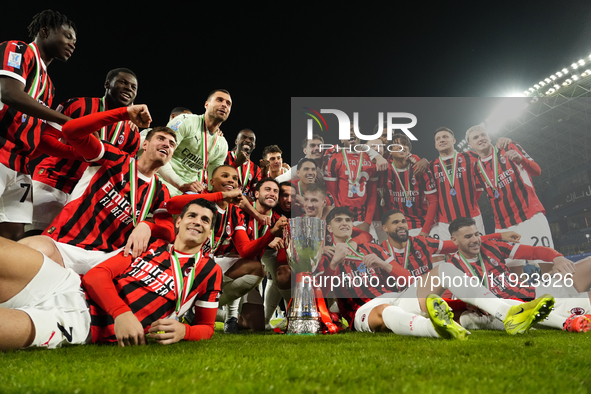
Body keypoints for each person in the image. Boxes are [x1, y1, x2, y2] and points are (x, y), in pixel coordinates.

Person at [0, 198, 222, 350]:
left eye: (205, 220)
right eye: (192, 215)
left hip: (84, 322)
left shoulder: (210, 270)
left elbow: (207, 327)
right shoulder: (151, 245)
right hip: (69, 285)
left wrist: (185, 331)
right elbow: (96, 276)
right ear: (179, 221)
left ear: (210, 231)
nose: (197, 222)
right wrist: (121, 313)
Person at [20, 105, 175, 274]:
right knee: (24, 253)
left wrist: (147, 226)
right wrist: (123, 113)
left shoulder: (161, 191)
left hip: (105, 259)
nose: (166, 145)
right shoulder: (114, 158)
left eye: (172, 144)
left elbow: (168, 231)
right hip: (65, 245)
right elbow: (71, 130)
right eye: (161, 139)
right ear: (144, 144)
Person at [164, 168, 288, 333]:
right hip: (176, 264)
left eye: (235, 178)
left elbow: (244, 251)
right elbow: (171, 204)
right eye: (225, 176)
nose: (231, 180)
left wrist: (270, 234)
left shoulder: (234, 211)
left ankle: (200, 309)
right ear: (211, 182)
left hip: (208, 263)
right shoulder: (201, 199)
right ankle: (192, 308)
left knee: (255, 270)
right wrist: (221, 196)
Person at [28, 68, 140, 236]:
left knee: (56, 250)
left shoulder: (133, 133)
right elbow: (43, 140)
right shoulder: (79, 105)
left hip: (85, 198)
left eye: (133, 87)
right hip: (53, 182)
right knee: (29, 238)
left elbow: (122, 172)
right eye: (123, 82)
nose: (128, 89)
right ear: (107, 84)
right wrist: (78, 152)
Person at [433, 217, 591, 332]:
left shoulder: (492, 246)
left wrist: (558, 258)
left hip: (535, 291)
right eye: (468, 236)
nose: (475, 240)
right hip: (519, 307)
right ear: (454, 240)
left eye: (477, 234)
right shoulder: (451, 268)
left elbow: (534, 251)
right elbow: (447, 305)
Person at [0, 10, 77, 240]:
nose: (73, 44)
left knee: (13, 237)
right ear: (45, 31)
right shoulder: (17, 49)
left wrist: (77, 151)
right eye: (68, 36)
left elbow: (38, 134)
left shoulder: (50, 87)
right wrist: (65, 120)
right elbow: (9, 93)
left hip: (21, 166)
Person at [466, 125, 552, 272]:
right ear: (470, 145)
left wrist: (521, 159)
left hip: (529, 215)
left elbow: (537, 171)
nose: (481, 138)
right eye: (476, 137)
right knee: (513, 272)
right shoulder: (476, 169)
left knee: (547, 265)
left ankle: (560, 294)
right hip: (504, 225)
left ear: (489, 137)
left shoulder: (508, 147)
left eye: (483, 135)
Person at [159, 89, 231, 196]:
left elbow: (214, 182)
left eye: (228, 103)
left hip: (189, 190)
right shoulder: (185, 121)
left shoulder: (222, 144)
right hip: (162, 181)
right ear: (206, 104)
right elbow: (158, 157)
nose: (224, 105)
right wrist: (181, 184)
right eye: (219, 100)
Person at [378, 134, 437, 241]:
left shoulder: (420, 169)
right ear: (390, 151)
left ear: (409, 150)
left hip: (422, 226)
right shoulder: (384, 170)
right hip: (396, 227)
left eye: (404, 144)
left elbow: (433, 202)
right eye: (397, 145)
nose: (401, 147)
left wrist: (425, 231)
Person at [325, 129, 377, 233]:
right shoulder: (335, 159)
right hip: (341, 219)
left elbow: (372, 194)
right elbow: (332, 195)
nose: (350, 133)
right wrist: (342, 219)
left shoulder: (371, 159)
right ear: (341, 139)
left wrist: (367, 222)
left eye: (353, 130)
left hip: (363, 220)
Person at [225, 128, 261, 198]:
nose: (247, 141)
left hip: (242, 204)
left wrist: (265, 175)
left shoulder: (256, 169)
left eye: (251, 139)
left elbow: (257, 194)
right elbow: (218, 178)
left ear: (254, 146)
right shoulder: (225, 156)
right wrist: (236, 163)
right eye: (243, 138)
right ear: (236, 141)